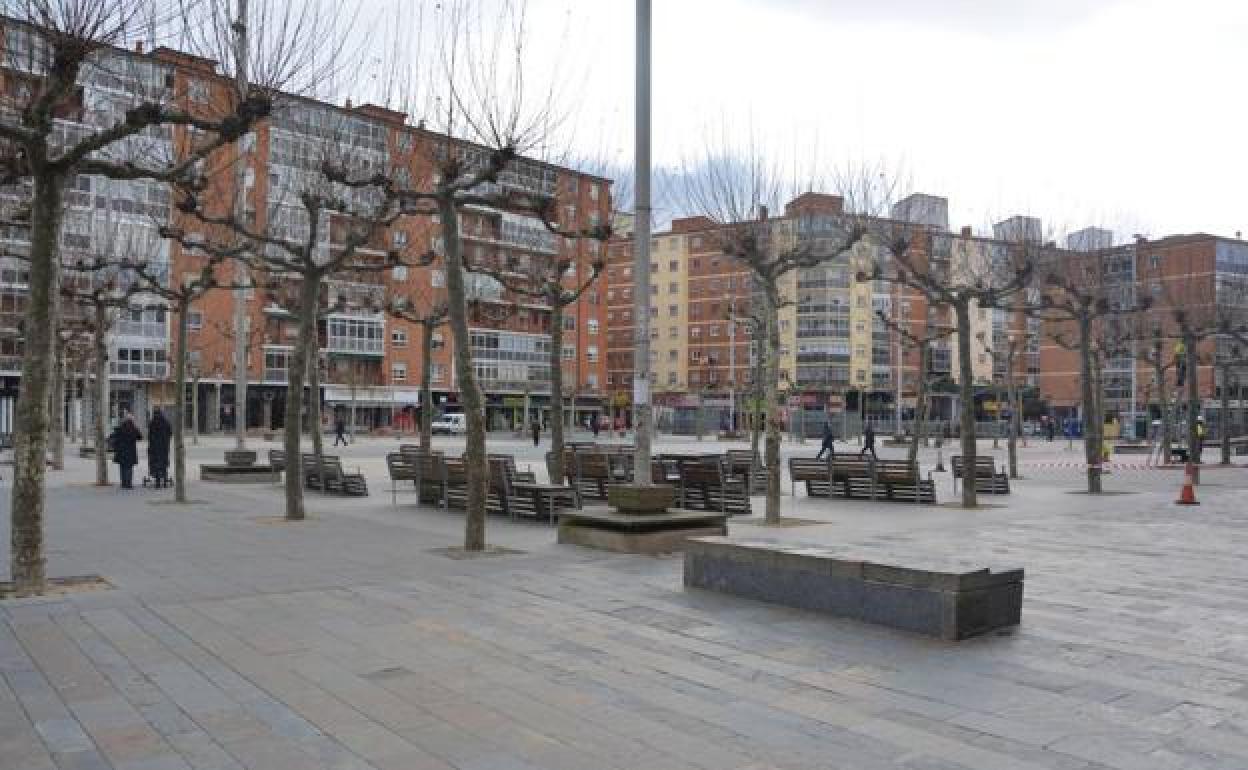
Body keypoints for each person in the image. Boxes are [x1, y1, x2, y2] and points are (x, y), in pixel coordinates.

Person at [109, 412, 142, 489]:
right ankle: (128, 483)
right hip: (131, 451)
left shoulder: (120, 428)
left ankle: (123, 483)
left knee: (122, 467)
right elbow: (140, 437)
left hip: (121, 450)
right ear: (132, 420)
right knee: (129, 467)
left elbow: (112, 436)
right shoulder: (134, 428)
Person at [146, 408, 172, 488]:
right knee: (163, 462)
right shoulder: (166, 422)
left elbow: (149, 435)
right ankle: (164, 479)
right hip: (164, 447)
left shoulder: (152, 423)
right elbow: (170, 433)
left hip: (154, 447)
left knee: (155, 462)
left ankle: (157, 481)